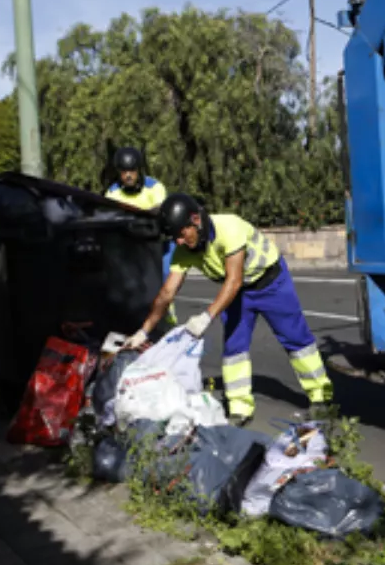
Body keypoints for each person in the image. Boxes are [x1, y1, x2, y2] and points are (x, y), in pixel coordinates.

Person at [123, 193, 334, 426]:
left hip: (270, 283)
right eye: (174, 237)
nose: (179, 242)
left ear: (195, 220)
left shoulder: (229, 228)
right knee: (234, 347)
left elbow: (234, 280)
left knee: (297, 340)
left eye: (181, 234)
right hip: (237, 293)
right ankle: (239, 407)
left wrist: (207, 316)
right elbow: (166, 294)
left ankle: (321, 397)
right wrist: (144, 331)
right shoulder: (184, 251)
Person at [105, 146, 176, 325]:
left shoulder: (155, 187)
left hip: (159, 243)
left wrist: (136, 217)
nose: (128, 175)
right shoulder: (112, 192)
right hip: (133, 245)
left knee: (165, 283)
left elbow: (159, 211)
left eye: (132, 171)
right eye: (124, 172)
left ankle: (168, 319)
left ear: (139, 170)